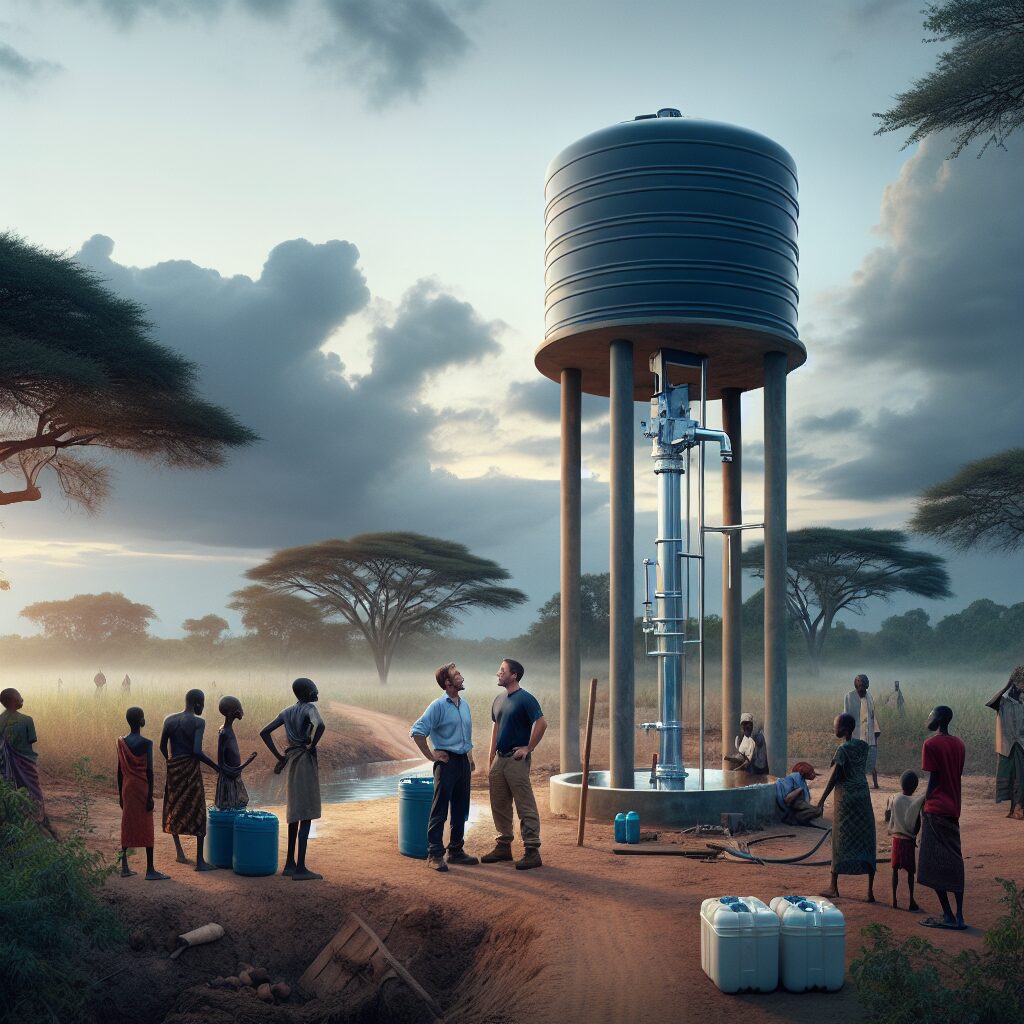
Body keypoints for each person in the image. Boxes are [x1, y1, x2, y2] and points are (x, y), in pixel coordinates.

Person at [410, 662, 478, 872]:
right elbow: (417, 731)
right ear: (448, 683)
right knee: (440, 809)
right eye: (457, 675)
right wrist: (431, 756)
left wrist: (470, 757)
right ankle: (435, 854)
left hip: (463, 762)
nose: (462, 677)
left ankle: (456, 851)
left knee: (461, 808)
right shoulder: (437, 706)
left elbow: (466, 735)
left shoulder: (464, 704)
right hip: (446, 763)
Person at [483, 658, 547, 870]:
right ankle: (503, 847)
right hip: (499, 759)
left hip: (516, 758)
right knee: (499, 803)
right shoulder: (499, 699)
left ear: (514, 675)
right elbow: (496, 727)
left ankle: (531, 850)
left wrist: (528, 748)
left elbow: (542, 723)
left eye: (502, 670)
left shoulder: (526, 699)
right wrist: (491, 755)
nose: (498, 673)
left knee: (524, 802)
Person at [260, 678, 324, 881]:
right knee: (305, 813)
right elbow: (320, 725)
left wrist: (280, 756)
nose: (317, 692)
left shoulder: (286, 711)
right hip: (304, 760)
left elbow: (264, 732)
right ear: (306, 693)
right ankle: (301, 868)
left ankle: (289, 863)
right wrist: (312, 745)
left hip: (292, 761)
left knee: (295, 811)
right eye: (314, 689)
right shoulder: (309, 708)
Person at [817, 712, 876, 902]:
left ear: (846, 729)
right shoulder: (863, 746)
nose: (835, 728)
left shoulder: (842, 750)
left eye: (837, 726)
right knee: (866, 840)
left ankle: (834, 886)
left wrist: (821, 800)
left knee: (840, 840)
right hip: (863, 797)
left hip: (846, 800)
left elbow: (835, 777)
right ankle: (869, 892)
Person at [918, 705, 967, 930]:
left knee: (932, 862)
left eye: (931, 714)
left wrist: (924, 806)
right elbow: (954, 775)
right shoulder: (959, 744)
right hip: (953, 808)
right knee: (955, 859)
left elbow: (934, 779)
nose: (928, 717)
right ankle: (959, 916)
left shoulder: (930, 744)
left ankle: (947, 914)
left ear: (937, 719)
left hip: (936, 808)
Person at [159, 689, 220, 870]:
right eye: (203, 703)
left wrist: (171, 762)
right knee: (198, 809)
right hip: (191, 770)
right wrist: (217, 767)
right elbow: (196, 751)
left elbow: (163, 746)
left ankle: (180, 853)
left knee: (174, 807)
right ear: (198, 703)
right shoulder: (198, 722)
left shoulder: (169, 720)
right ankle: (200, 861)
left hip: (174, 769)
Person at [117, 707, 169, 880]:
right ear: (140, 720)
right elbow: (149, 771)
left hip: (127, 787)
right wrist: (150, 796)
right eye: (143, 717)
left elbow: (119, 771)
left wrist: (120, 794)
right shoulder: (146, 743)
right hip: (141, 786)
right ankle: (150, 869)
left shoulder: (121, 741)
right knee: (146, 825)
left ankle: (124, 866)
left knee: (127, 822)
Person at [0, 688, 50, 830]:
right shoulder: (27, 720)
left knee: (9, 788)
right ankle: (38, 819)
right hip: (26, 762)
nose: (21, 699)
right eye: (19, 697)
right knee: (33, 789)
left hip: (4, 765)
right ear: (12, 701)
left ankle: (11, 821)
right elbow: (31, 740)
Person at [986, 666, 1024, 819]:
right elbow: (991, 702)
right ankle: (1016, 808)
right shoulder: (1004, 702)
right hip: (1009, 746)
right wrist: (1007, 685)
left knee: (1021, 778)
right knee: (1014, 778)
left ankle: (1018, 807)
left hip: (1021, 745)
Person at [885, 769, 925, 911]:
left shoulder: (895, 797)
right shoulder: (914, 802)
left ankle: (894, 900)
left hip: (896, 839)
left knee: (895, 870)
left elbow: (888, 814)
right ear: (914, 787)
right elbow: (917, 823)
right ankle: (911, 901)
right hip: (908, 841)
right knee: (910, 873)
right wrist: (915, 835)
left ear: (900, 783)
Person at [214, 696, 256, 810]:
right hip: (228, 780)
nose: (242, 710)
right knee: (230, 808)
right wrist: (245, 764)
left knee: (236, 807)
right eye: (240, 708)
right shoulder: (224, 733)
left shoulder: (227, 730)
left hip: (233, 776)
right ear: (233, 712)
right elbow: (221, 764)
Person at [844, 674, 881, 789]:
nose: (862, 689)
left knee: (871, 759)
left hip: (869, 734)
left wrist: (876, 731)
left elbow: (872, 716)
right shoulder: (849, 697)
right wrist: (847, 736)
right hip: (855, 735)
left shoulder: (869, 696)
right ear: (856, 686)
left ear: (867, 686)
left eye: (864, 687)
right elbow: (846, 716)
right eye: (860, 686)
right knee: (855, 761)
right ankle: (856, 782)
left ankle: (875, 784)